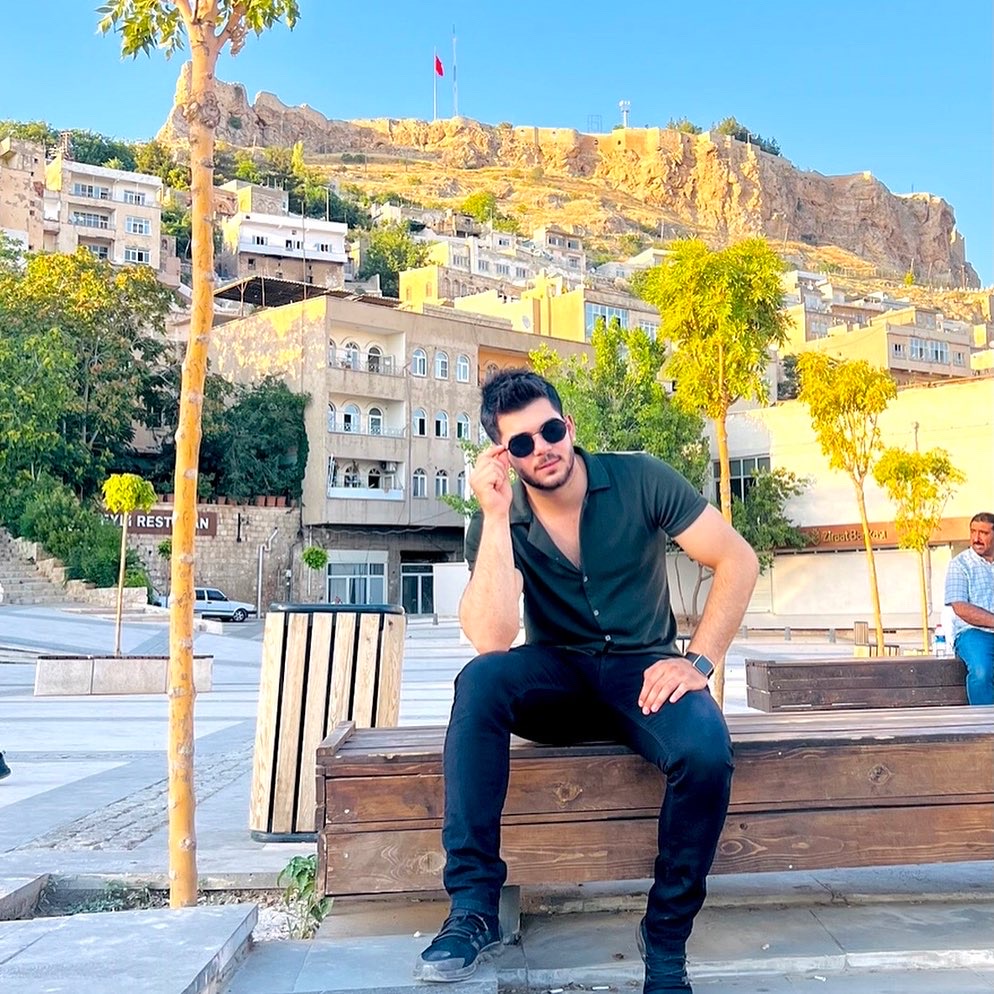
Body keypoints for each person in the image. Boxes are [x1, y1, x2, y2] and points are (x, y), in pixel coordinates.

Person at [414, 370, 759, 993]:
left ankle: (666, 937)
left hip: (644, 675)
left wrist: (698, 662)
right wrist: (495, 514)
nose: (542, 449)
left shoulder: (640, 477)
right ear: (503, 454)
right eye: (522, 443)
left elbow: (737, 558)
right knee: (480, 681)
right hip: (559, 677)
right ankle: (473, 909)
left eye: (550, 431)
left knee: (707, 751)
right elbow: (492, 637)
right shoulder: (499, 515)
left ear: (568, 426)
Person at [944, 512, 994, 705]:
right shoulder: (960, 564)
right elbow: (960, 607)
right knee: (982, 672)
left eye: (984, 533)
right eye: (973, 531)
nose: (976, 538)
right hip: (972, 633)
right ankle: (984, 723)